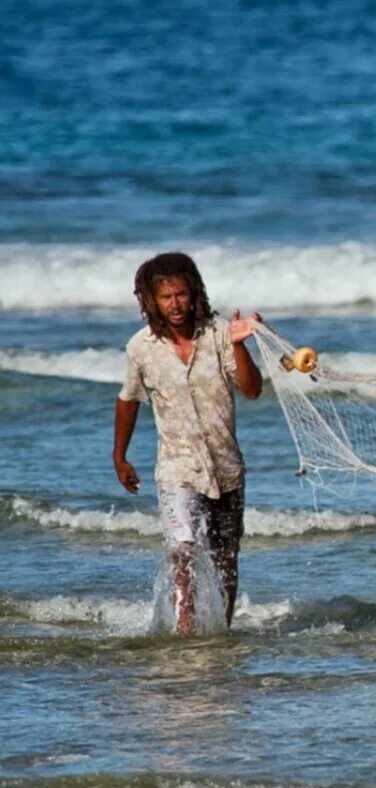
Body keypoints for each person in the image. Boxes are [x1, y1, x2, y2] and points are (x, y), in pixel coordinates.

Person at [112, 252, 263, 634]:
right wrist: (120, 456)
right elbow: (128, 398)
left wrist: (241, 345)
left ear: (193, 293)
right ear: (151, 301)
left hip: (227, 466)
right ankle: (185, 631)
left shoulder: (217, 335)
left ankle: (221, 631)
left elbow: (252, 390)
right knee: (183, 551)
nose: (175, 304)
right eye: (166, 297)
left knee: (226, 556)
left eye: (181, 294)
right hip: (177, 467)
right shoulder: (141, 347)